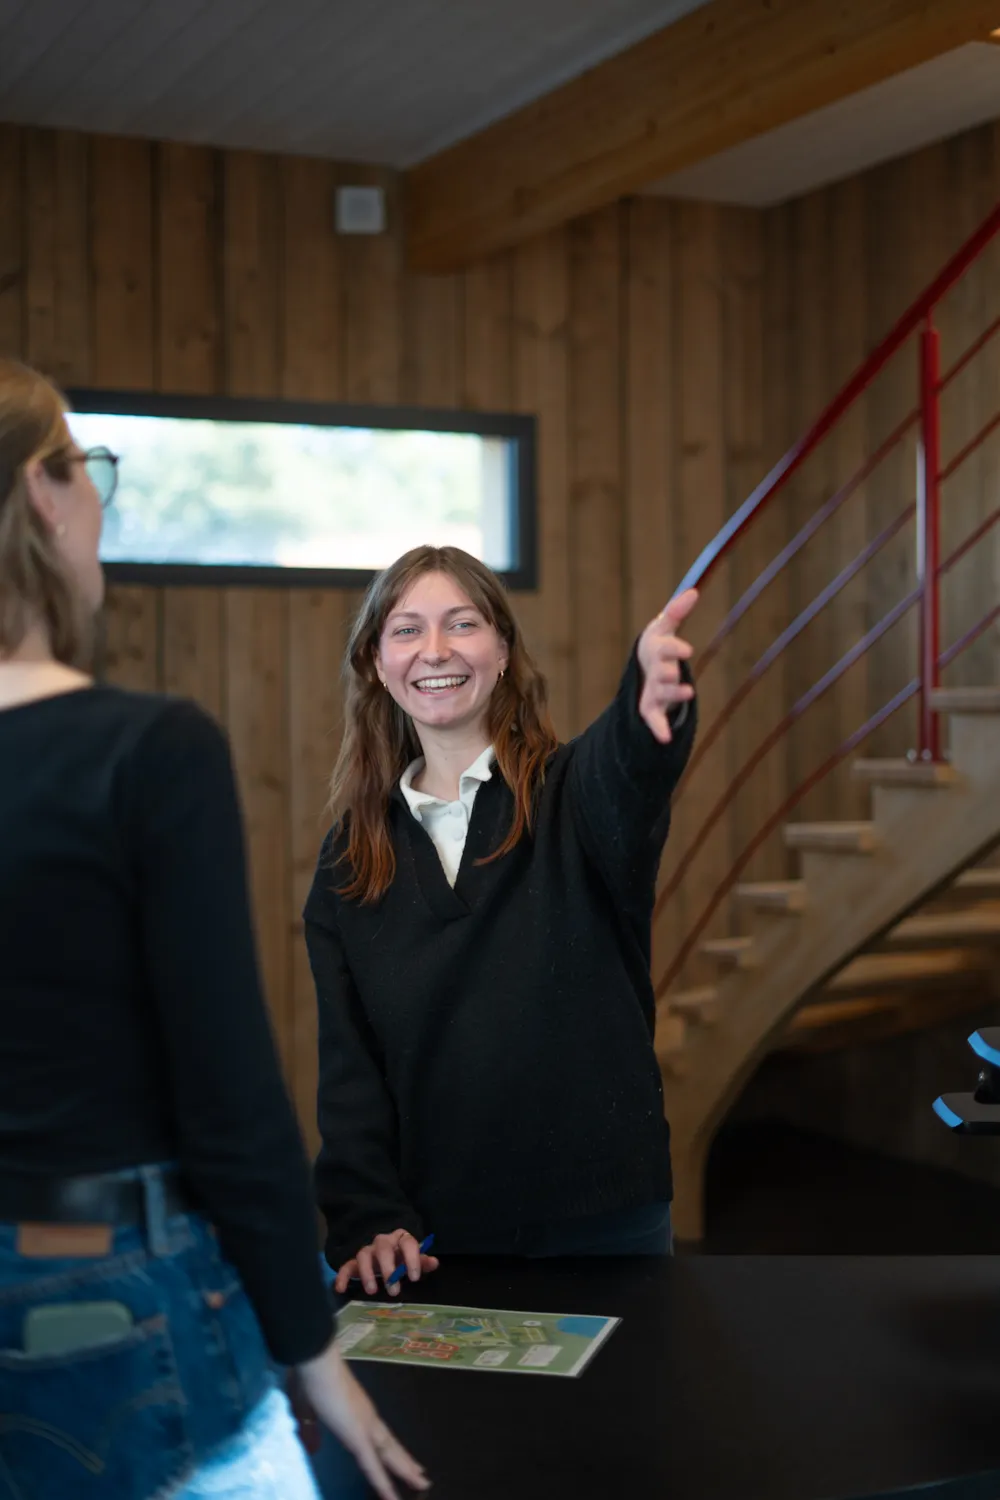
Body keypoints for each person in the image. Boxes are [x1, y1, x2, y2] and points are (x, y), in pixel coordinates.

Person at [0, 357, 428, 1500]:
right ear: (45, 493)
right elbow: (230, 1096)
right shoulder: (145, 749)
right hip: (98, 1280)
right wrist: (312, 1349)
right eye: (90, 468)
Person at [306, 544, 698, 1299]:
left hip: (605, 1224)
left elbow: (630, 761)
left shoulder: (576, 796)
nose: (436, 650)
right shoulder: (347, 860)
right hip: (436, 1235)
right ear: (377, 663)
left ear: (504, 650)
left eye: (463, 623)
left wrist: (650, 699)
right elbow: (349, 1070)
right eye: (407, 630)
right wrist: (368, 1215)